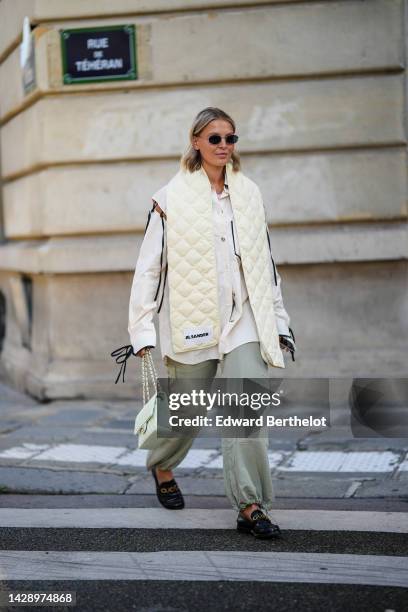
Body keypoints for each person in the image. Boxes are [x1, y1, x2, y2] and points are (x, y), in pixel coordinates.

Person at [127, 107, 296, 539]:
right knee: (187, 409)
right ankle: (162, 465)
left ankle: (250, 505)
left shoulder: (250, 194)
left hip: (245, 320)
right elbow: (149, 269)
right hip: (193, 320)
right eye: (215, 138)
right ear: (197, 142)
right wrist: (142, 330)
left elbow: (265, 263)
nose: (224, 146)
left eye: (230, 138)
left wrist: (279, 322)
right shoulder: (169, 197)